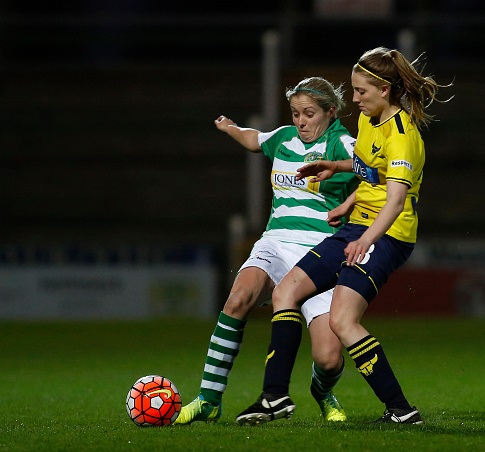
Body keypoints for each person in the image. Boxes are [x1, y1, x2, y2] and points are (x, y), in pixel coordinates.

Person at [235, 47, 452, 425]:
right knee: (286, 291)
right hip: (357, 226)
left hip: (387, 235)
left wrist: (366, 239)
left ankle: (400, 410)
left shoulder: (402, 136)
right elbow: (368, 168)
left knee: (342, 322)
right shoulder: (371, 119)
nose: (354, 99)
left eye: (360, 92)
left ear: (384, 90)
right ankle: (274, 397)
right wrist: (334, 169)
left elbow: (396, 200)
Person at [174, 76, 359, 424]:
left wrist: (349, 203)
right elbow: (252, 139)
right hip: (276, 243)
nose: (300, 121)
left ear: (330, 112)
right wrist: (230, 128)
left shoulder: (343, 145)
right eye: (295, 113)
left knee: (330, 358)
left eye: (309, 113)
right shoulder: (284, 138)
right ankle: (209, 399)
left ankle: (322, 391)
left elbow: (376, 174)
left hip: (322, 253)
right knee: (238, 298)